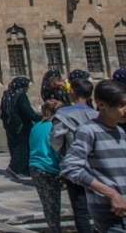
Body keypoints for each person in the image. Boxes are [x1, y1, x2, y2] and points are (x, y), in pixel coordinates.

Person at [62, 79, 126, 233]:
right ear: (101, 104)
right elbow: (70, 167)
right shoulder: (88, 131)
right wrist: (111, 194)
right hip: (111, 213)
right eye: (120, 105)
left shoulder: (120, 132)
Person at [50, 78, 98, 233]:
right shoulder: (98, 115)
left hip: (76, 167)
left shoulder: (63, 114)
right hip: (98, 166)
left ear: (72, 92)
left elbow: (56, 142)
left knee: (81, 209)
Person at [29, 100, 64, 233]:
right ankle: (56, 230)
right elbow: (57, 149)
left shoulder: (36, 126)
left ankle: (53, 228)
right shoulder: (55, 127)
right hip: (49, 167)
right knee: (54, 204)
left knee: (47, 203)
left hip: (34, 166)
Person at [0, 76, 41, 178]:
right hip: (21, 127)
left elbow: (2, 113)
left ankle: (21, 169)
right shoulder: (21, 96)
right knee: (22, 147)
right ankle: (14, 168)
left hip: (10, 126)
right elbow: (28, 112)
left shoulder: (7, 95)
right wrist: (41, 118)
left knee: (14, 147)